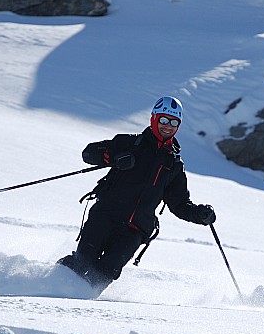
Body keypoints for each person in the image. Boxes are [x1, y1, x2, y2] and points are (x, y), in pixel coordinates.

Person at [58, 96, 216, 294]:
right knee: (83, 262)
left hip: (135, 230)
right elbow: (88, 153)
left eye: (174, 122)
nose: (168, 126)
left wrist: (199, 214)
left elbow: (179, 204)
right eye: (164, 120)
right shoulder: (129, 143)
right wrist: (113, 157)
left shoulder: (174, 164)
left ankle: (81, 302)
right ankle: (52, 286)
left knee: (106, 272)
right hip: (105, 215)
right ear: (154, 119)